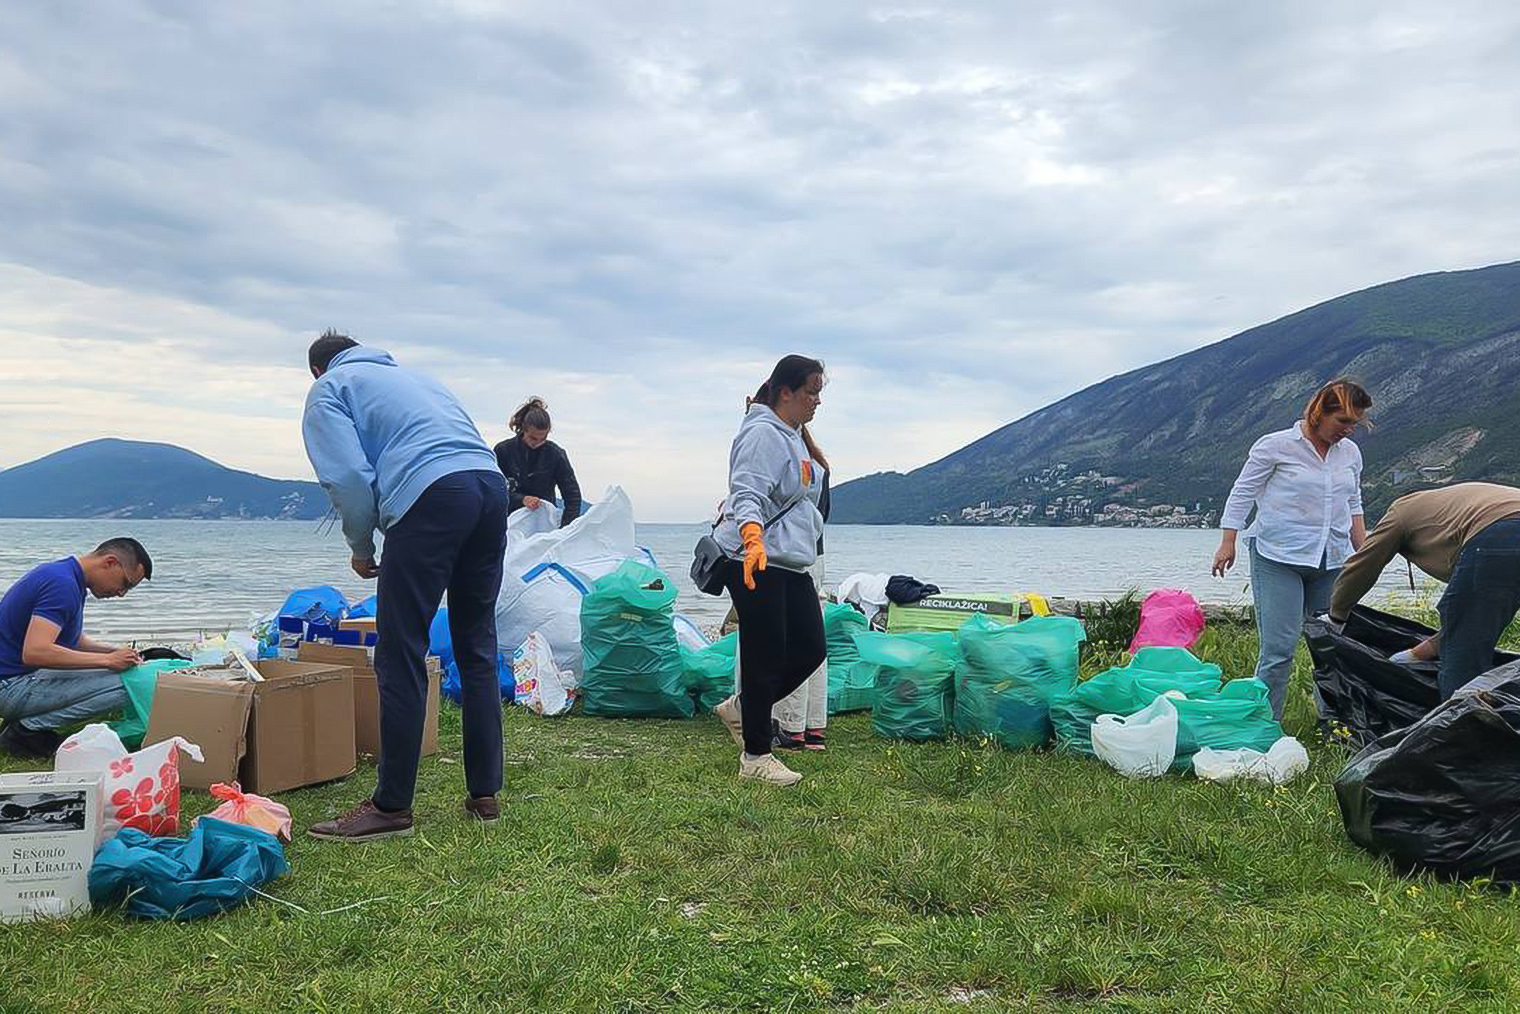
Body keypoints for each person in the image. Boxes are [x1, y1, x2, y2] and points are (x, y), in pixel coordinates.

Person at [301, 329, 508, 842]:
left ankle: (391, 807)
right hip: (490, 486)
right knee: (477, 645)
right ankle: (485, 794)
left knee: (400, 651)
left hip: (432, 492)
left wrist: (362, 547)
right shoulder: (414, 378)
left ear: (317, 370)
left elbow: (348, 477)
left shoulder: (331, 389)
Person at [1213, 379, 1372, 720]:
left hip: (1331, 560)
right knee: (1279, 649)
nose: (1348, 431)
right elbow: (1242, 493)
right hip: (1278, 556)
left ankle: (1335, 724)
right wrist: (1228, 540)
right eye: (1342, 422)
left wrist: (1365, 551)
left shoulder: (1351, 454)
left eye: (1354, 424)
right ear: (1319, 413)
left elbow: (1353, 502)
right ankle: (1265, 724)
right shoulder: (1276, 446)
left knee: (1330, 647)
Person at [711, 355, 828, 786]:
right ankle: (756, 757)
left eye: (819, 393)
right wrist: (753, 537)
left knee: (810, 648)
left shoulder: (792, 435)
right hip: (755, 559)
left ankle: (743, 709)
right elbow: (746, 491)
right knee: (765, 656)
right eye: (811, 392)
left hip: (791, 560)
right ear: (785, 392)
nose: (817, 401)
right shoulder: (762, 434)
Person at [1328, 482, 1520, 700]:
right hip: (1505, 529)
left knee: (1463, 664)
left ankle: (1460, 729)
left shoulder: (1401, 512)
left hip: (1502, 532)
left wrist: (1337, 616)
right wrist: (1417, 654)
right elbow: (1474, 620)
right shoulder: (1452, 506)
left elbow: (1363, 565)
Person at [0, 539, 151, 758]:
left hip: (16, 678)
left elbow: (72, 641)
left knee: (125, 673)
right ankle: (26, 731)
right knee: (130, 686)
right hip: (10, 686)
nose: (121, 593)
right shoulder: (62, 585)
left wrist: (113, 653)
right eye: (126, 583)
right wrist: (107, 662)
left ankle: (22, 725)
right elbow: (36, 652)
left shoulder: (64, 575)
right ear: (110, 563)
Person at [772, 420, 831, 752]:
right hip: (815, 554)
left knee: (785, 641)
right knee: (813, 642)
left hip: (788, 558)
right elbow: (823, 515)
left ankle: (789, 725)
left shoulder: (789, 462)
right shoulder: (820, 466)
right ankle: (814, 727)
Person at [494, 397, 582, 528]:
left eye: (543, 438)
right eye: (533, 438)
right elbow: (493, 490)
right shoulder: (503, 451)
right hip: (508, 521)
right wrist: (521, 499)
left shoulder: (556, 454)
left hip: (543, 523)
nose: (538, 443)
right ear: (523, 429)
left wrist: (565, 529)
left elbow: (572, 495)